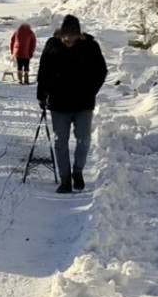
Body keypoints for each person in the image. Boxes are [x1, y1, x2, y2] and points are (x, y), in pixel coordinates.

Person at [36, 14, 107, 194]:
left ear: (78, 34)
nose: (68, 39)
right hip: (58, 103)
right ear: (61, 33)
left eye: (72, 36)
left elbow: (101, 71)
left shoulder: (90, 46)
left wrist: (91, 90)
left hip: (83, 103)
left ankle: (78, 171)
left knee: (84, 139)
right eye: (65, 36)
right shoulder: (52, 45)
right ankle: (65, 180)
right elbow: (43, 71)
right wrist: (41, 96)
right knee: (61, 142)